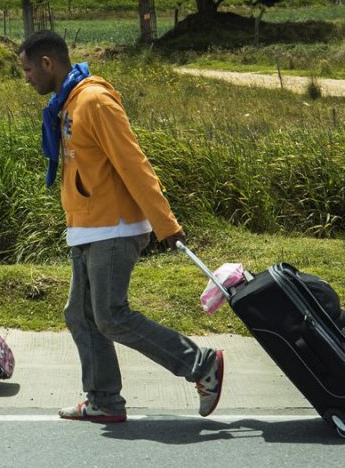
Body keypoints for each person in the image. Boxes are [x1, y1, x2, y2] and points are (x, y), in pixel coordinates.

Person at [16, 31, 223, 423]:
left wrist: (166, 223)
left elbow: (133, 162)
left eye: (27, 70)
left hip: (115, 227)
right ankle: (104, 401)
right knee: (80, 314)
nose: (26, 78)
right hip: (88, 227)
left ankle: (201, 364)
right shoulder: (68, 103)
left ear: (47, 63)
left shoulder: (94, 100)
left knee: (110, 315)